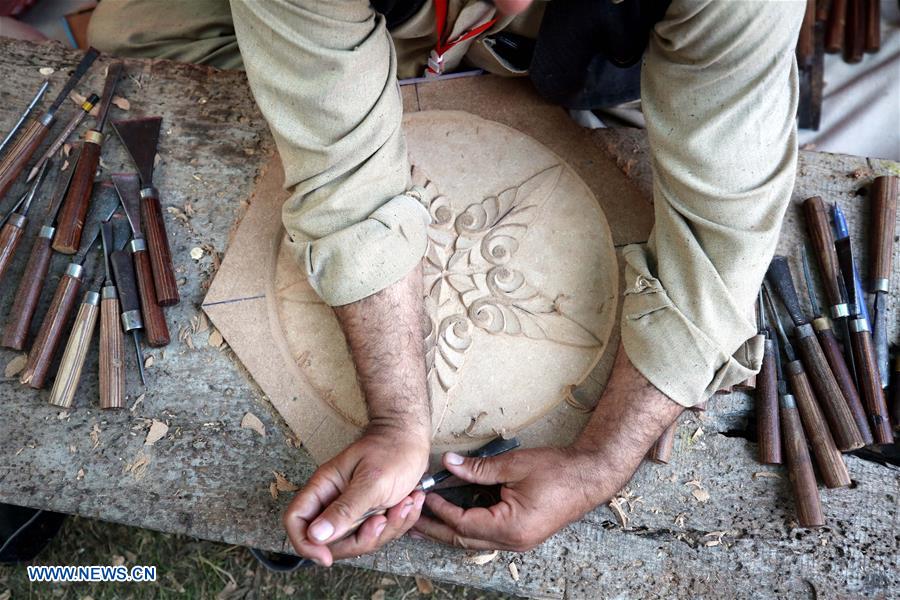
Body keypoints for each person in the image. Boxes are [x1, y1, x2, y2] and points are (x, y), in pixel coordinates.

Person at [89, 0, 805, 567]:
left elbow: (722, 235)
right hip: (375, 27)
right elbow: (345, 182)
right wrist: (400, 420)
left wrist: (599, 463)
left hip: (599, 54)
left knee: (678, 155)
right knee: (130, 36)